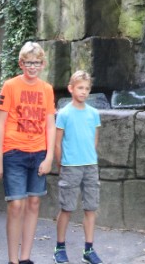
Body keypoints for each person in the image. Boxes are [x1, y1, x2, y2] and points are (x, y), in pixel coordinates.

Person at [0, 41, 56, 264]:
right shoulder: (10, 86)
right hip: (14, 151)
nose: (32, 67)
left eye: (37, 63)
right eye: (28, 63)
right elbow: (0, 124)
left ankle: (26, 257)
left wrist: (49, 157)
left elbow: (50, 124)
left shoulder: (46, 89)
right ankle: (13, 259)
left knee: (33, 203)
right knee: (16, 204)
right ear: (21, 63)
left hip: (38, 151)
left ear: (43, 64)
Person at [53, 71, 103, 264]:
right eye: (80, 88)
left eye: (87, 88)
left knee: (91, 208)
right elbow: (58, 143)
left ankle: (88, 249)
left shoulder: (93, 113)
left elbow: (94, 138)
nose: (83, 92)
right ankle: (60, 246)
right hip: (70, 166)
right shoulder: (64, 114)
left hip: (90, 166)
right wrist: (61, 164)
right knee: (67, 208)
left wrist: (90, 156)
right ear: (71, 88)